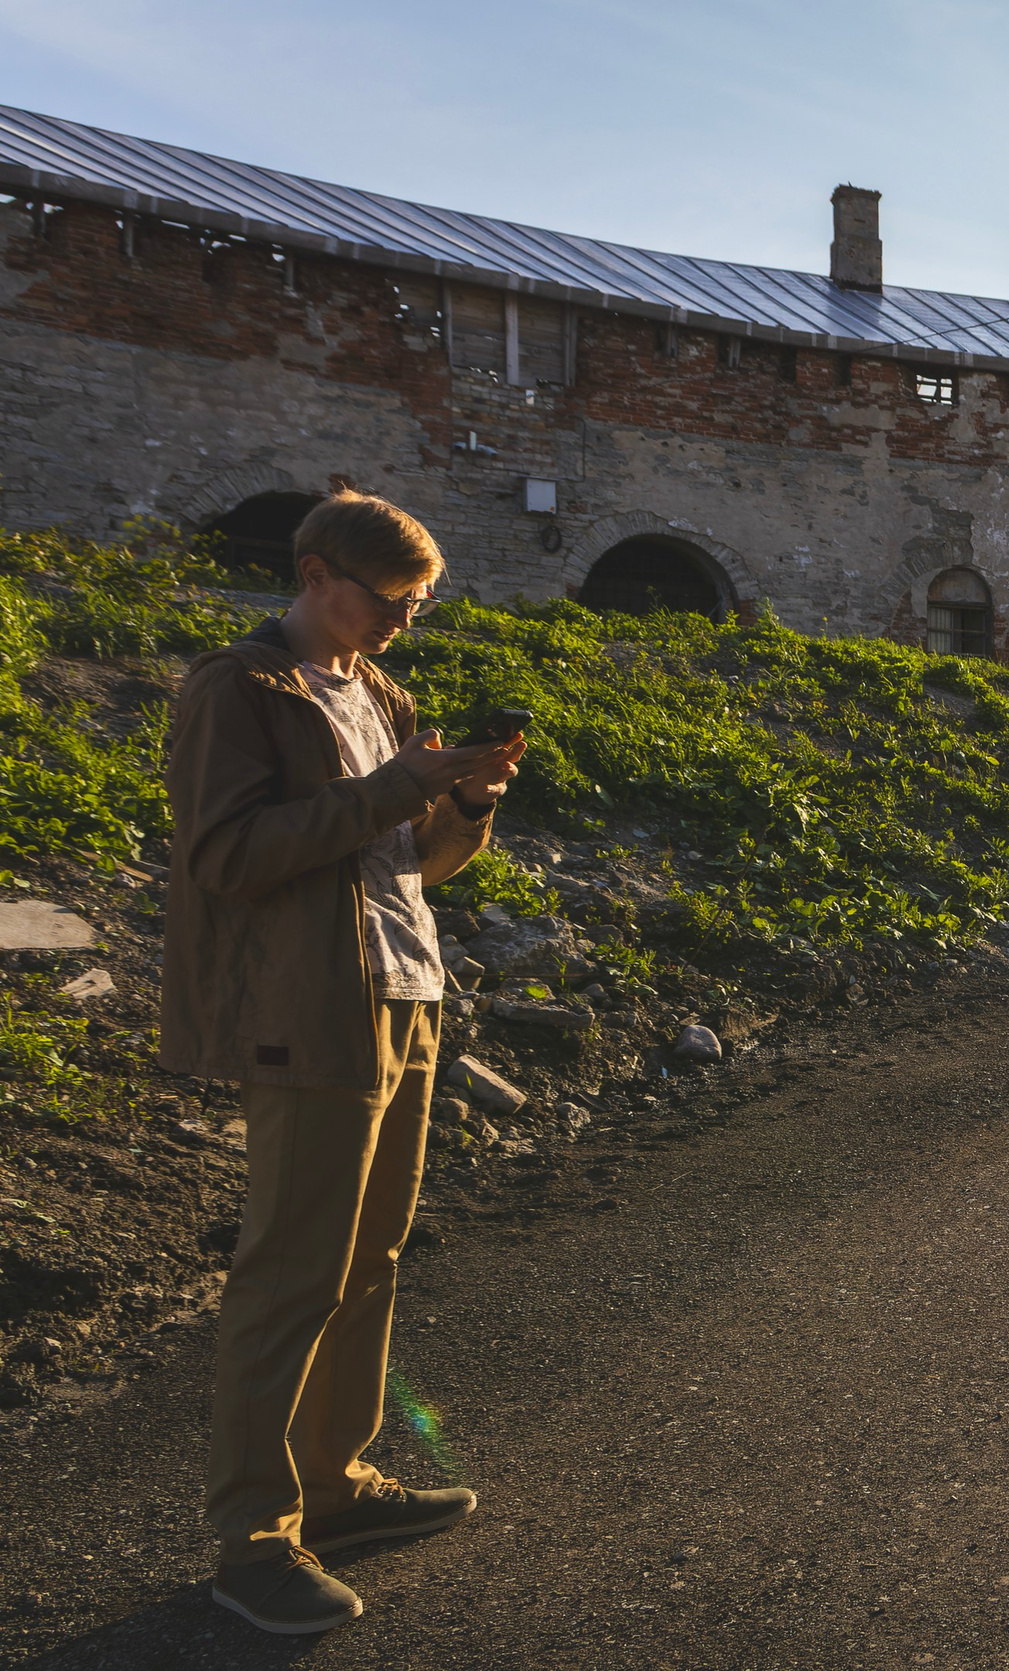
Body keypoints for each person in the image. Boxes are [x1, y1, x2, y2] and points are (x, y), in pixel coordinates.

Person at [159, 490, 526, 1634]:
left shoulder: (380, 694)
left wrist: (462, 805)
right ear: (316, 574)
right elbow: (225, 855)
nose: (404, 622)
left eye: (421, 605)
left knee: (370, 1258)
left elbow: (408, 860)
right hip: (307, 1009)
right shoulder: (239, 687)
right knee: (291, 1274)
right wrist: (396, 787)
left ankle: (334, 1483)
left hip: (404, 991)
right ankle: (252, 1544)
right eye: (391, 599)